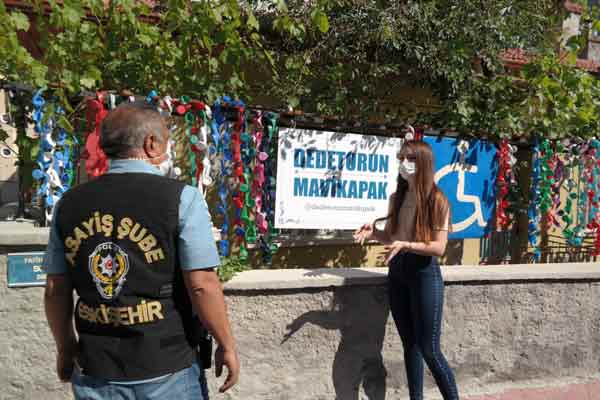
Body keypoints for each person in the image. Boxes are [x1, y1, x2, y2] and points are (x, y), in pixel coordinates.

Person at [43, 102, 239, 400]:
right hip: (166, 367)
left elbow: (56, 289)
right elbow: (202, 285)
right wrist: (227, 345)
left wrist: (65, 346)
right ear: (151, 143)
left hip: (95, 367)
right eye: (166, 138)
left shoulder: (69, 204)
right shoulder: (181, 199)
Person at [354, 140, 459, 400]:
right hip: (398, 273)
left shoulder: (437, 200)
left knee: (429, 349)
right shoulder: (397, 198)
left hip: (424, 273)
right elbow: (393, 238)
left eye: (410, 160)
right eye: (401, 159)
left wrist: (407, 244)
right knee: (409, 345)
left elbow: (438, 247)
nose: (404, 165)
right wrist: (374, 233)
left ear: (423, 163)